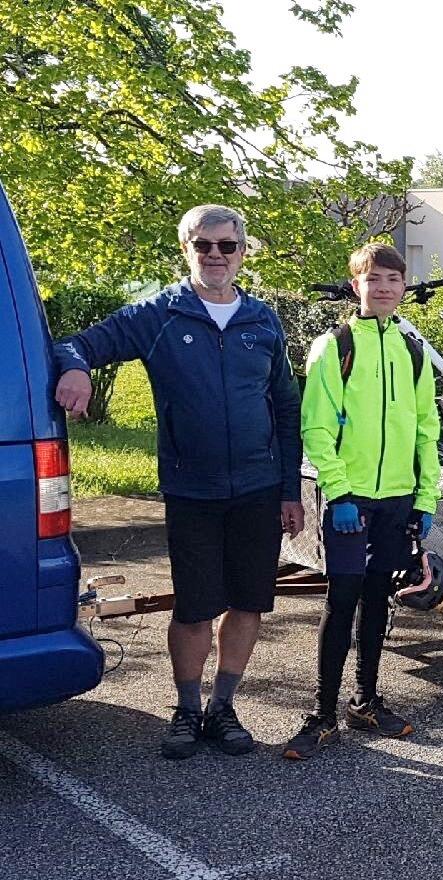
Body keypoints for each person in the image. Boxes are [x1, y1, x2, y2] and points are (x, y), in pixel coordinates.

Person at [53, 204, 304, 759]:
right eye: (203, 245)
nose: (215, 255)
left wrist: (290, 489)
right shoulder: (159, 315)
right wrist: (74, 368)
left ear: (242, 252)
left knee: (248, 604)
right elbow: (75, 344)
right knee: (194, 608)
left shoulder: (262, 320)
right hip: (193, 490)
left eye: (227, 246)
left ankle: (223, 707)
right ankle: (187, 709)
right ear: (186, 249)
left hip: (259, 489)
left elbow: (287, 407)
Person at [283, 242, 441, 760]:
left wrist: (426, 497)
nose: (385, 288)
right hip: (350, 502)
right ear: (357, 286)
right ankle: (322, 713)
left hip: (398, 500)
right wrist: (339, 491)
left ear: (404, 287)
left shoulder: (413, 350)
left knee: (377, 599)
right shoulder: (335, 346)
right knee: (342, 598)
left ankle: (366, 700)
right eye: (374, 279)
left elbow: (426, 429)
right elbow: (316, 427)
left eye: (394, 280)